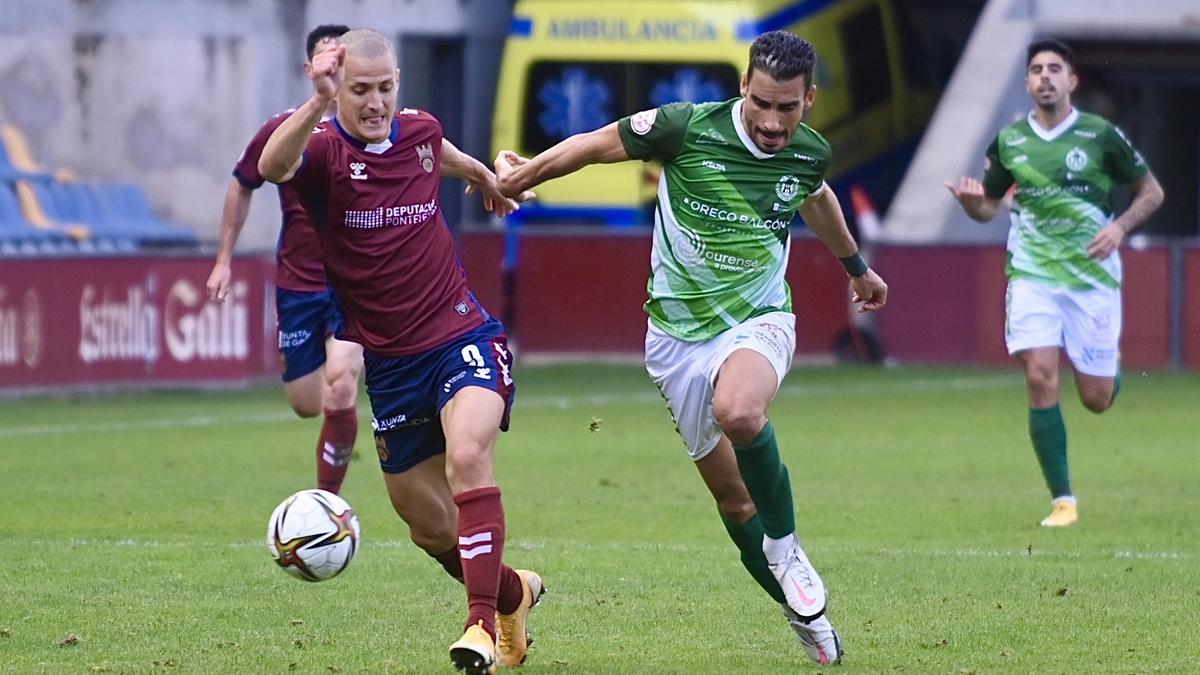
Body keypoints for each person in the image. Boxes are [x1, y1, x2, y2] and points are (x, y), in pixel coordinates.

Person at [496, 30, 887, 666]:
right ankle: (804, 616)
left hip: (758, 320)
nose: (772, 121)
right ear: (743, 88)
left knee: (740, 411)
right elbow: (597, 144)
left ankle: (787, 550)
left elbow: (816, 200)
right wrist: (524, 176)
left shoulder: (807, 152)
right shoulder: (685, 128)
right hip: (676, 340)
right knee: (733, 501)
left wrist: (856, 268)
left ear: (809, 100)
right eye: (762, 103)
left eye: (788, 108)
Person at [257, 28, 541, 675]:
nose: (376, 102)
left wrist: (485, 176)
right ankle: (511, 593)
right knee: (426, 523)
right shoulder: (323, 151)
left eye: (386, 88)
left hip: (462, 336)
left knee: (469, 454)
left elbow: (437, 150)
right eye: (361, 90)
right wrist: (315, 104)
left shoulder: (418, 131)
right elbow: (273, 167)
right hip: (390, 364)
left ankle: (479, 625)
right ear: (337, 89)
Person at [945, 39, 1164, 527]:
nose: (1045, 76)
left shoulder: (1099, 135)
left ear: (1072, 81)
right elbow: (988, 207)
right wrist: (970, 203)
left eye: (1054, 69)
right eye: (1037, 70)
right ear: (1026, 83)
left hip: (1091, 277)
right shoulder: (1009, 141)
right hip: (1032, 274)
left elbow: (1152, 192)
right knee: (1040, 374)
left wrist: (1120, 227)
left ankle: (1108, 367)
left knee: (1096, 399)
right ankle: (1063, 500)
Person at [206, 24, 363, 496]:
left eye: (345, 61)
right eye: (326, 61)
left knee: (341, 381)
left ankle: (326, 506)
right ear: (309, 68)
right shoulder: (283, 131)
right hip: (298, 285)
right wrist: (223, 260)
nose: (335, 70)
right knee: (306, 403)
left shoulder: (374, 131)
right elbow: (242, 183)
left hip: (352, 284)